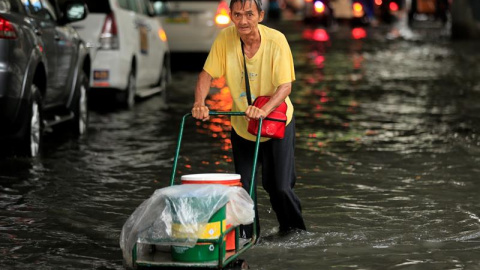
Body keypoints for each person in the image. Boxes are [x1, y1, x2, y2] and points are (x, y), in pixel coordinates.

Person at [191, 0, 306, 240]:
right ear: (231, 16)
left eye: (249, 14)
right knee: (244, 190)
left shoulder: (276, 41)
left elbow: (285, 87)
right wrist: (200, 103)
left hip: (276, 124)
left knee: (280, 187)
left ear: (261, 16)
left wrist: (264, 110)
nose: (243, 21)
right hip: (243, 128)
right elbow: (206, 74)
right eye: (237, 15)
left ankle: (295, 233)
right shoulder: (225, 39)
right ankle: (248, 238)